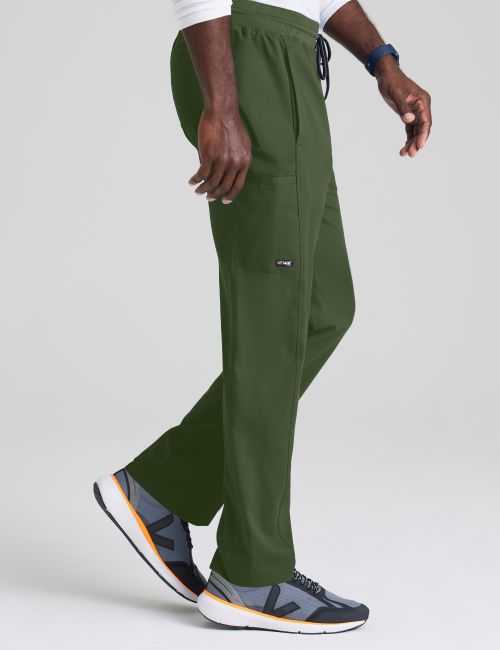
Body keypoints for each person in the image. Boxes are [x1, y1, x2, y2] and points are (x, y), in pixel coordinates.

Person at [94, 0, 431, 634]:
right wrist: (222, 105)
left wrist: (382, 61)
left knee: (323, 308)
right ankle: (252, 571)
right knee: (271, 315)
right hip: (246, 51)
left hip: (289, 61)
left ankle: (164, 487)